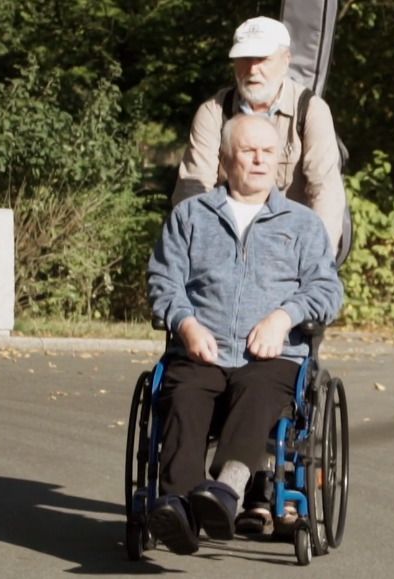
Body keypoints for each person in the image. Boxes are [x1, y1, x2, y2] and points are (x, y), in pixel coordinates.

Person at [146, 114, 343, 555]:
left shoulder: (302, 224)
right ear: (223, 160)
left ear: (280, 162)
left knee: (260, 387)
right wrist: (186, 323)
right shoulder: (190, 217)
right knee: (184, 393)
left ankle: (225, 490)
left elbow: (327, 290)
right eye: (246, 151)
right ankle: (176, 505)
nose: (257, 160)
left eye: (267, 152)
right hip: (203, 349)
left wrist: (283, 317)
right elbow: (163, 281)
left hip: (270, 357)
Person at [172, 15, 346, 252]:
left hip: (291, 246)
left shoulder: (311, 110)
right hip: (226, 245)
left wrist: (319, 262)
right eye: (244, 58)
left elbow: (325, 191)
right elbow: (193, 188)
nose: (253, 69)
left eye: (262, 59)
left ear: (286, 60)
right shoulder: (213, 112)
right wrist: (194, 253)